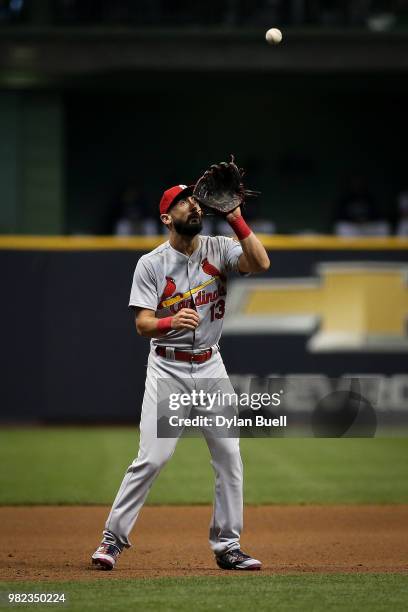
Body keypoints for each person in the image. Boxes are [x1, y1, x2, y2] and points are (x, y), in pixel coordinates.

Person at [91, 182, 270, 571]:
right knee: (153, 458)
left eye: (194, 199)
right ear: (166, 217)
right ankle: (112, 540)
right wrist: (171, 320)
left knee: (229, 456)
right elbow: (142, 324)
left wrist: (236, 219)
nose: (193, 205)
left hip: (210, 366)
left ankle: (228, 546)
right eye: (182, 202)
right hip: (167, 367)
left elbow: (260, 263)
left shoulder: (220, 248)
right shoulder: (151, 263)